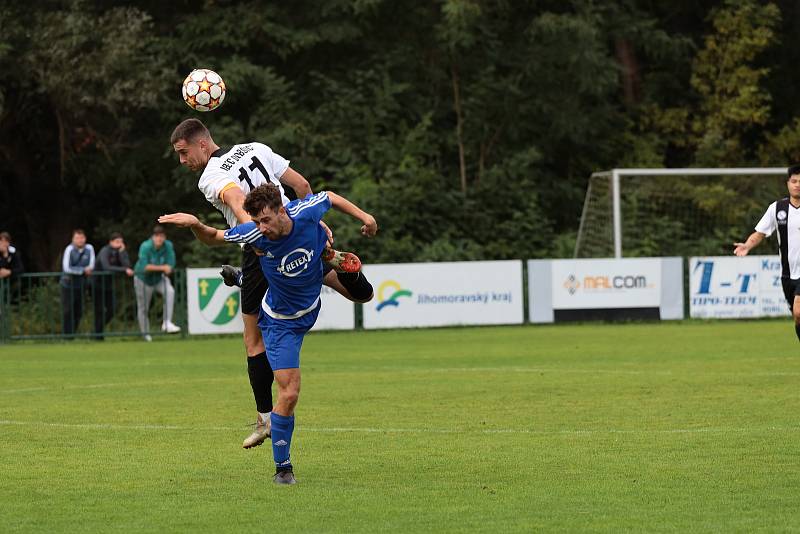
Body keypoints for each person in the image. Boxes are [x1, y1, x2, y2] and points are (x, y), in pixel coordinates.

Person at [170, 118, 374, 449]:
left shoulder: (209, 176)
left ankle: (265, 419)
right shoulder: (256, 148)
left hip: (262, 249)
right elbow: (302, 184)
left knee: (253, 342)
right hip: (296, 228)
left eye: (183, 152)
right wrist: (315, 224)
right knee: (360, 296)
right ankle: (331, 259)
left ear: (202, 144)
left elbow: (237, 201)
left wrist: (262, 239)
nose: (183, 161)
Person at [159, 183, 378, 484]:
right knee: (289, 393)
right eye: (256, 221)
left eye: (265, 220)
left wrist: (366, 217)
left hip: (311, 291)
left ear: (281, 210)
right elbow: (213, 238)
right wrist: (196, 224)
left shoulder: (304, 211)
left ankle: (323, 258)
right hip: (280, 323)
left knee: (365, 295)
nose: (260, 227)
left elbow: (330, 197)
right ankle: (283, 468)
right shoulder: (253, 233)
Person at [734, 164, 800, 341]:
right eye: (794, 181)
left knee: (799, 310)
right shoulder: (777, 208)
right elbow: (760, 233)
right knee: (797, 317)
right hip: (787, 275)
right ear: (787, 183)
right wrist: (747, 246)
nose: (797, 185)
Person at [133, 225, 180, 342]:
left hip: (158, 279)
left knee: (170, 291)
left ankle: (167, 322)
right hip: (143, 279)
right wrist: (163, 268)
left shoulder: (168, 245)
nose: (160, 239)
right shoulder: (146, 246)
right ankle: (146, 334)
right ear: (153, 237)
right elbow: (145, 267)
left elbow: (170, 265)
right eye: (157, 237)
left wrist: (166, 268)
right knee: (143, 308)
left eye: (162, 237)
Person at [94, 232, 135, 339]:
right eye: (117, 242)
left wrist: (122, 252)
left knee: (112, 309)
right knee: (99, 310)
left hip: (108, 285)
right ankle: (97, 335)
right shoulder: (105, 250)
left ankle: (98, 332)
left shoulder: (119, 252)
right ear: (110, 242)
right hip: (97, 284)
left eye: (121, 242)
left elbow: (127, 266)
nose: (119, 244)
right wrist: (124, 270)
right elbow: (106, 267)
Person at [60, 229, 95, 338]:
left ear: (85, 239)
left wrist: (86, 270)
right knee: (68, 310)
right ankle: (67, 336)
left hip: (81, 284)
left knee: (78, 311)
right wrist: (82, 271)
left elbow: (91, 265)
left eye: (82, 238)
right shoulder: (69, 249)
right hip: (68, 284)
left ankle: (72, 334)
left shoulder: (89, 248)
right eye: (77, 238)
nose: (80, 240)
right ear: (73, 239)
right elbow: (66, 268)